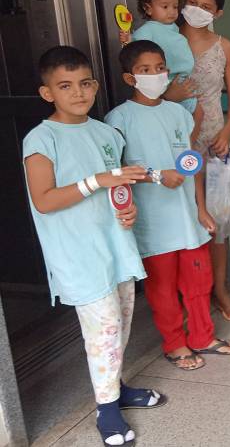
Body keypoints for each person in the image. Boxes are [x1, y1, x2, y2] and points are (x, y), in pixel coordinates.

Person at [23, 46, 165, 447]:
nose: (78, 92)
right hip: (78, 254)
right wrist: (97, 181)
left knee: (121, 321)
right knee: (103, 329)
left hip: (115, 245)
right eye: (65, 86)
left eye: (85, 83)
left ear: (96, 86)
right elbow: (44, 200)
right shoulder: (41, 139)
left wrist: (128, 209)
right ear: (47, 92)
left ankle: (116, 388)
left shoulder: (106, 134)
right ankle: (106, 410)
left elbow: (117, 189)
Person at [105, 40, 230, 372]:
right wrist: (156, 176)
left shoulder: (178, 114)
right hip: (154, 224)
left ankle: (202, 336)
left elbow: (191, 163)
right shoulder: (118, 119)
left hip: (187, 219)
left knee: (199, 280)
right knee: (162, 288)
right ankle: (174, 343)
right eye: (145, 70)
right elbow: (114, 173)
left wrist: (201, 208)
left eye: (160, 68)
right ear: (130, 78)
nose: (155, 75)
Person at [179, 0, 230, 321]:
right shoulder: (168, 41)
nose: (197, 10)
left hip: (214, 142)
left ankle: (219, 289)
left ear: (217, 12)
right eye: (192, 2)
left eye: (206, 6)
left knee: (216, 221)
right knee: (186, 217)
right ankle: (193, 294)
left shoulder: (225, 47)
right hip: (178, 141)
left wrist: (227, 132)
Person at [120, 0, 201, 141]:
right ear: (148, 8)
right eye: (165, 7)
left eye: (175, 7)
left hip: (182, 81)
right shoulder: (148, 29)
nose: (172, 11)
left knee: (189, 119)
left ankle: (186, 146)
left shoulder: (173, 28)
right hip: (166, 82)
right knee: (178, 122)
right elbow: (137, 49)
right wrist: (128, 41)